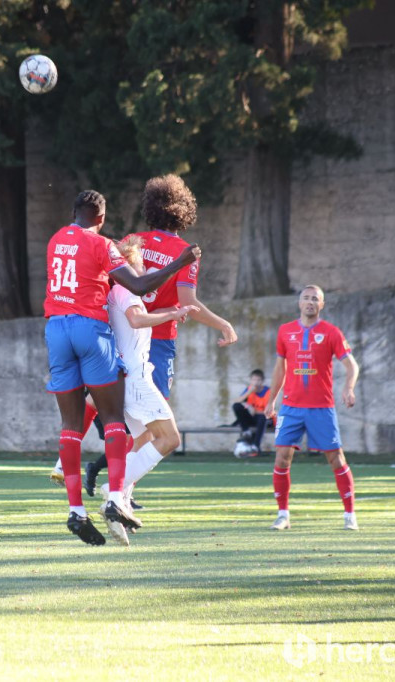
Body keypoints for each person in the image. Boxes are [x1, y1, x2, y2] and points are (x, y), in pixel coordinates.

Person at [45, 189, 199, 546]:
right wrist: (179, 266)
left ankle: (87, 499)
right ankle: (115, 496)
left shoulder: (58, 242)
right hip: (127, 367)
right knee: (163, 436)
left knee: (125, 433)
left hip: (56, 326)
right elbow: (138, 306)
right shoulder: (115, 270)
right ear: (100, 218)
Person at [95, 234, 196, 545]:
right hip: (136, 379)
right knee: (170, 438)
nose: (144, 268)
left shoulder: (113, 292)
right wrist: (173, 313)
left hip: (124, 378)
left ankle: (120, 502)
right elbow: (138, 320)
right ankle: (113, 492)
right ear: (130, 264)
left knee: (144, 438)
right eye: (140, 263)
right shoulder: (126, 290)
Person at [131, 174, 238, 398]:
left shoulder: (132, 240)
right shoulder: (186, 252)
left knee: (124, 408)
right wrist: (223, 324)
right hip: (159, 338)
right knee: (156, 412)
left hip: (127, 333)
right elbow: (189, 303)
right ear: (184, 210)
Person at [265, 285, 361, 531]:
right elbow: (280, 368)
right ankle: (283, 515)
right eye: (306, 298)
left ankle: (350, 515)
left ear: (322, 305)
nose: (310, 302)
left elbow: (352, 365)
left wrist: (349, 388)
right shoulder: (285, 331)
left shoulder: (331, 332)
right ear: (299, 303)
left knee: (336, 460)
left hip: (321, 408)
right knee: (282, 458)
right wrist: (271, 400)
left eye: (315, 299)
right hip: (290, 408)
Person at [231, 369, 271, 457]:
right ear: (250, 380)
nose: (256, 382)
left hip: (264, 419)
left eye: (258, 380)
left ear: (262, 381)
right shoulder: (249, 389)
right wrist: (249, 392)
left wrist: (254, 410)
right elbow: (237, 401)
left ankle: (255, 446)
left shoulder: (268, 391)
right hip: (252, 417)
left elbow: (269, 410)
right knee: (237, 406)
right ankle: (246, 431)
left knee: (262, 417)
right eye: (253, 380)